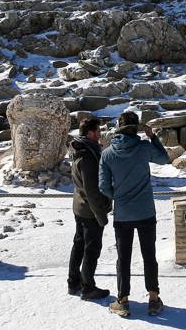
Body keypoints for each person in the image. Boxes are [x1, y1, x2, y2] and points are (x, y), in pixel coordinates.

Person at [99, 112, 170, 318]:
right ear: (135, 128)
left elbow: (103, 186)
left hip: (123, 214)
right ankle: (153, 299)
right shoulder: (144, 148)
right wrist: (152, 137)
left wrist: (118, 197)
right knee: (149, 255)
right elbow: (164, 159)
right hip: (146, 211)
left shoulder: (107, 154)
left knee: (123, 258)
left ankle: (122, 300)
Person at [68, 118, 112, 300]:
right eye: (98, 131)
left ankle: (73, 282)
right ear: (90, 133)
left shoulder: (81, 149)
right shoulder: (88, 155)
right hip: (89, 210)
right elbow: (92, 190)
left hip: (80, 206)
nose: (100, 134)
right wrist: (101, 215)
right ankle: (87, 288)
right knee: (91, 249)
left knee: (79, 244)